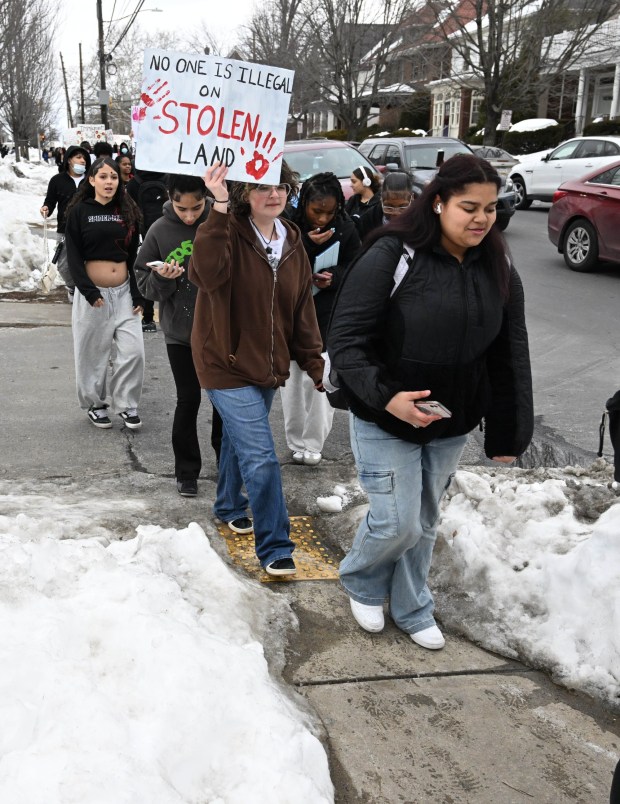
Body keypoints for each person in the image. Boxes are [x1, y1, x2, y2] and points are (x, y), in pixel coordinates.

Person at [328, 154, 533, 648]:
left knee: (423, 521)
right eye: (469, 207)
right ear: (438, 202)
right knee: (397, 521)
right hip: (386, 416)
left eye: (489, 207)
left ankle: (413, 605)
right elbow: (347, 341)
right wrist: (388, 398)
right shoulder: (392, 255)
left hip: (451, 420)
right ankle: (361, 578)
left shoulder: (497, 264)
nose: (482, 218)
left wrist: (509, 430)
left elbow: (511, 353)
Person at [188, 162, 324, 577]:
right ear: (246, 192)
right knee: (261, 456)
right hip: (223, 359)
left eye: (281, 185)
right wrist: (219, 205)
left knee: (238, 439)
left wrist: (314, 361)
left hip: (266, 363)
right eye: (262, 187)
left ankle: (229, 504)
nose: (274, 194)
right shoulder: (225, 228)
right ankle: (276, 546)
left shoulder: (293, 241)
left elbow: (302, 307)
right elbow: (203, 274)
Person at [135, 174, 222, 497]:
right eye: (181, 208)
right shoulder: (159, 230)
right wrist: (165, 280)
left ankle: (227, 466)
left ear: (206, 198)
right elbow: (144, 283)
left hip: (220, 331)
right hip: (179, 332)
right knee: (188, 399)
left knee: (224, 404)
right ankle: (187, 473)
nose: (189, 215)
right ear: (170, 198)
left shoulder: (221, 220)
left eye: (196, 207)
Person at [283, 172, 360, 465]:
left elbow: (357, 266)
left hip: (327, 315)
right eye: (317, 211)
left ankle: (314, 443)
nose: (323, 219)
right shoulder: (289, 225)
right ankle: (295, 441)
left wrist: (335, 277)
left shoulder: (346, 228)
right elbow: (276, 261)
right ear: (304, 204)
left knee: (319, 379)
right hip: (293, 312)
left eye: (330, 212)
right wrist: (307, 243)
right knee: (291, 381)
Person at [64, 157, 145, 431]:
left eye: (113, 177)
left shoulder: (128, 211)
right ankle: (94, 405)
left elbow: (135, 255)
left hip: (124, 293)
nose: (109, 182)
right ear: (92, 180)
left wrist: (139, 293)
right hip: (92, 296)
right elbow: (73, 255)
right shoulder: (79, 212)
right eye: (103, 177)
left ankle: (127, 404)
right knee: (91, 353)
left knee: (133, 352)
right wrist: (87, 290)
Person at [40, 145, 92, 301]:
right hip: (65, 229)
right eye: (78, 157)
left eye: (84, 158)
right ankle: (73, 287)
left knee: (87, 260)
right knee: (63, 263)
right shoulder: (57, 180)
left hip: (88, 228)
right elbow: (50, 201)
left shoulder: (91, 180)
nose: (82, 160)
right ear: (69, 159)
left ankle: (86, 289)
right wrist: (46, 208)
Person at [127, 167, 169, 333]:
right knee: (172, 271)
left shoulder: (134, 183)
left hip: (144, 234)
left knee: (148, 272)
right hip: (167, 231)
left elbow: (129, 210)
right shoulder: (168, 179)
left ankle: (148, 317)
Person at [356, 170, 413, 240]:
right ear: (381, 198)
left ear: (412, 198)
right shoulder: (368, 220)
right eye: (389, 207)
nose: (395, 213)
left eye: (402, 207)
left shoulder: (421, 221)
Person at [344, 165, 382, 235]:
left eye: (354, 182)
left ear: (366, 181)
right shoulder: (353, 200)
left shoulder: (379, 203)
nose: (351, 185)